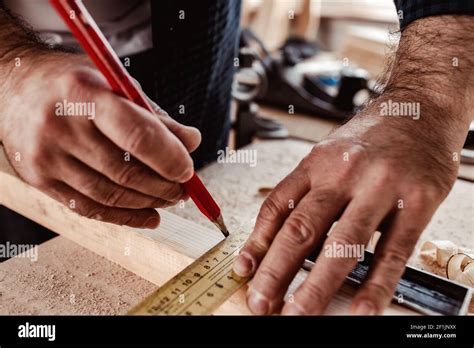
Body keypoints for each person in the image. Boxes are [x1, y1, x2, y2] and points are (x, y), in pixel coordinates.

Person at [0, 0, 472, 316]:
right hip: (25, 75)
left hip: (191, 40)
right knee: (30, 252)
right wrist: (9, 70)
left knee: (192, 167)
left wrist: (431, 96)